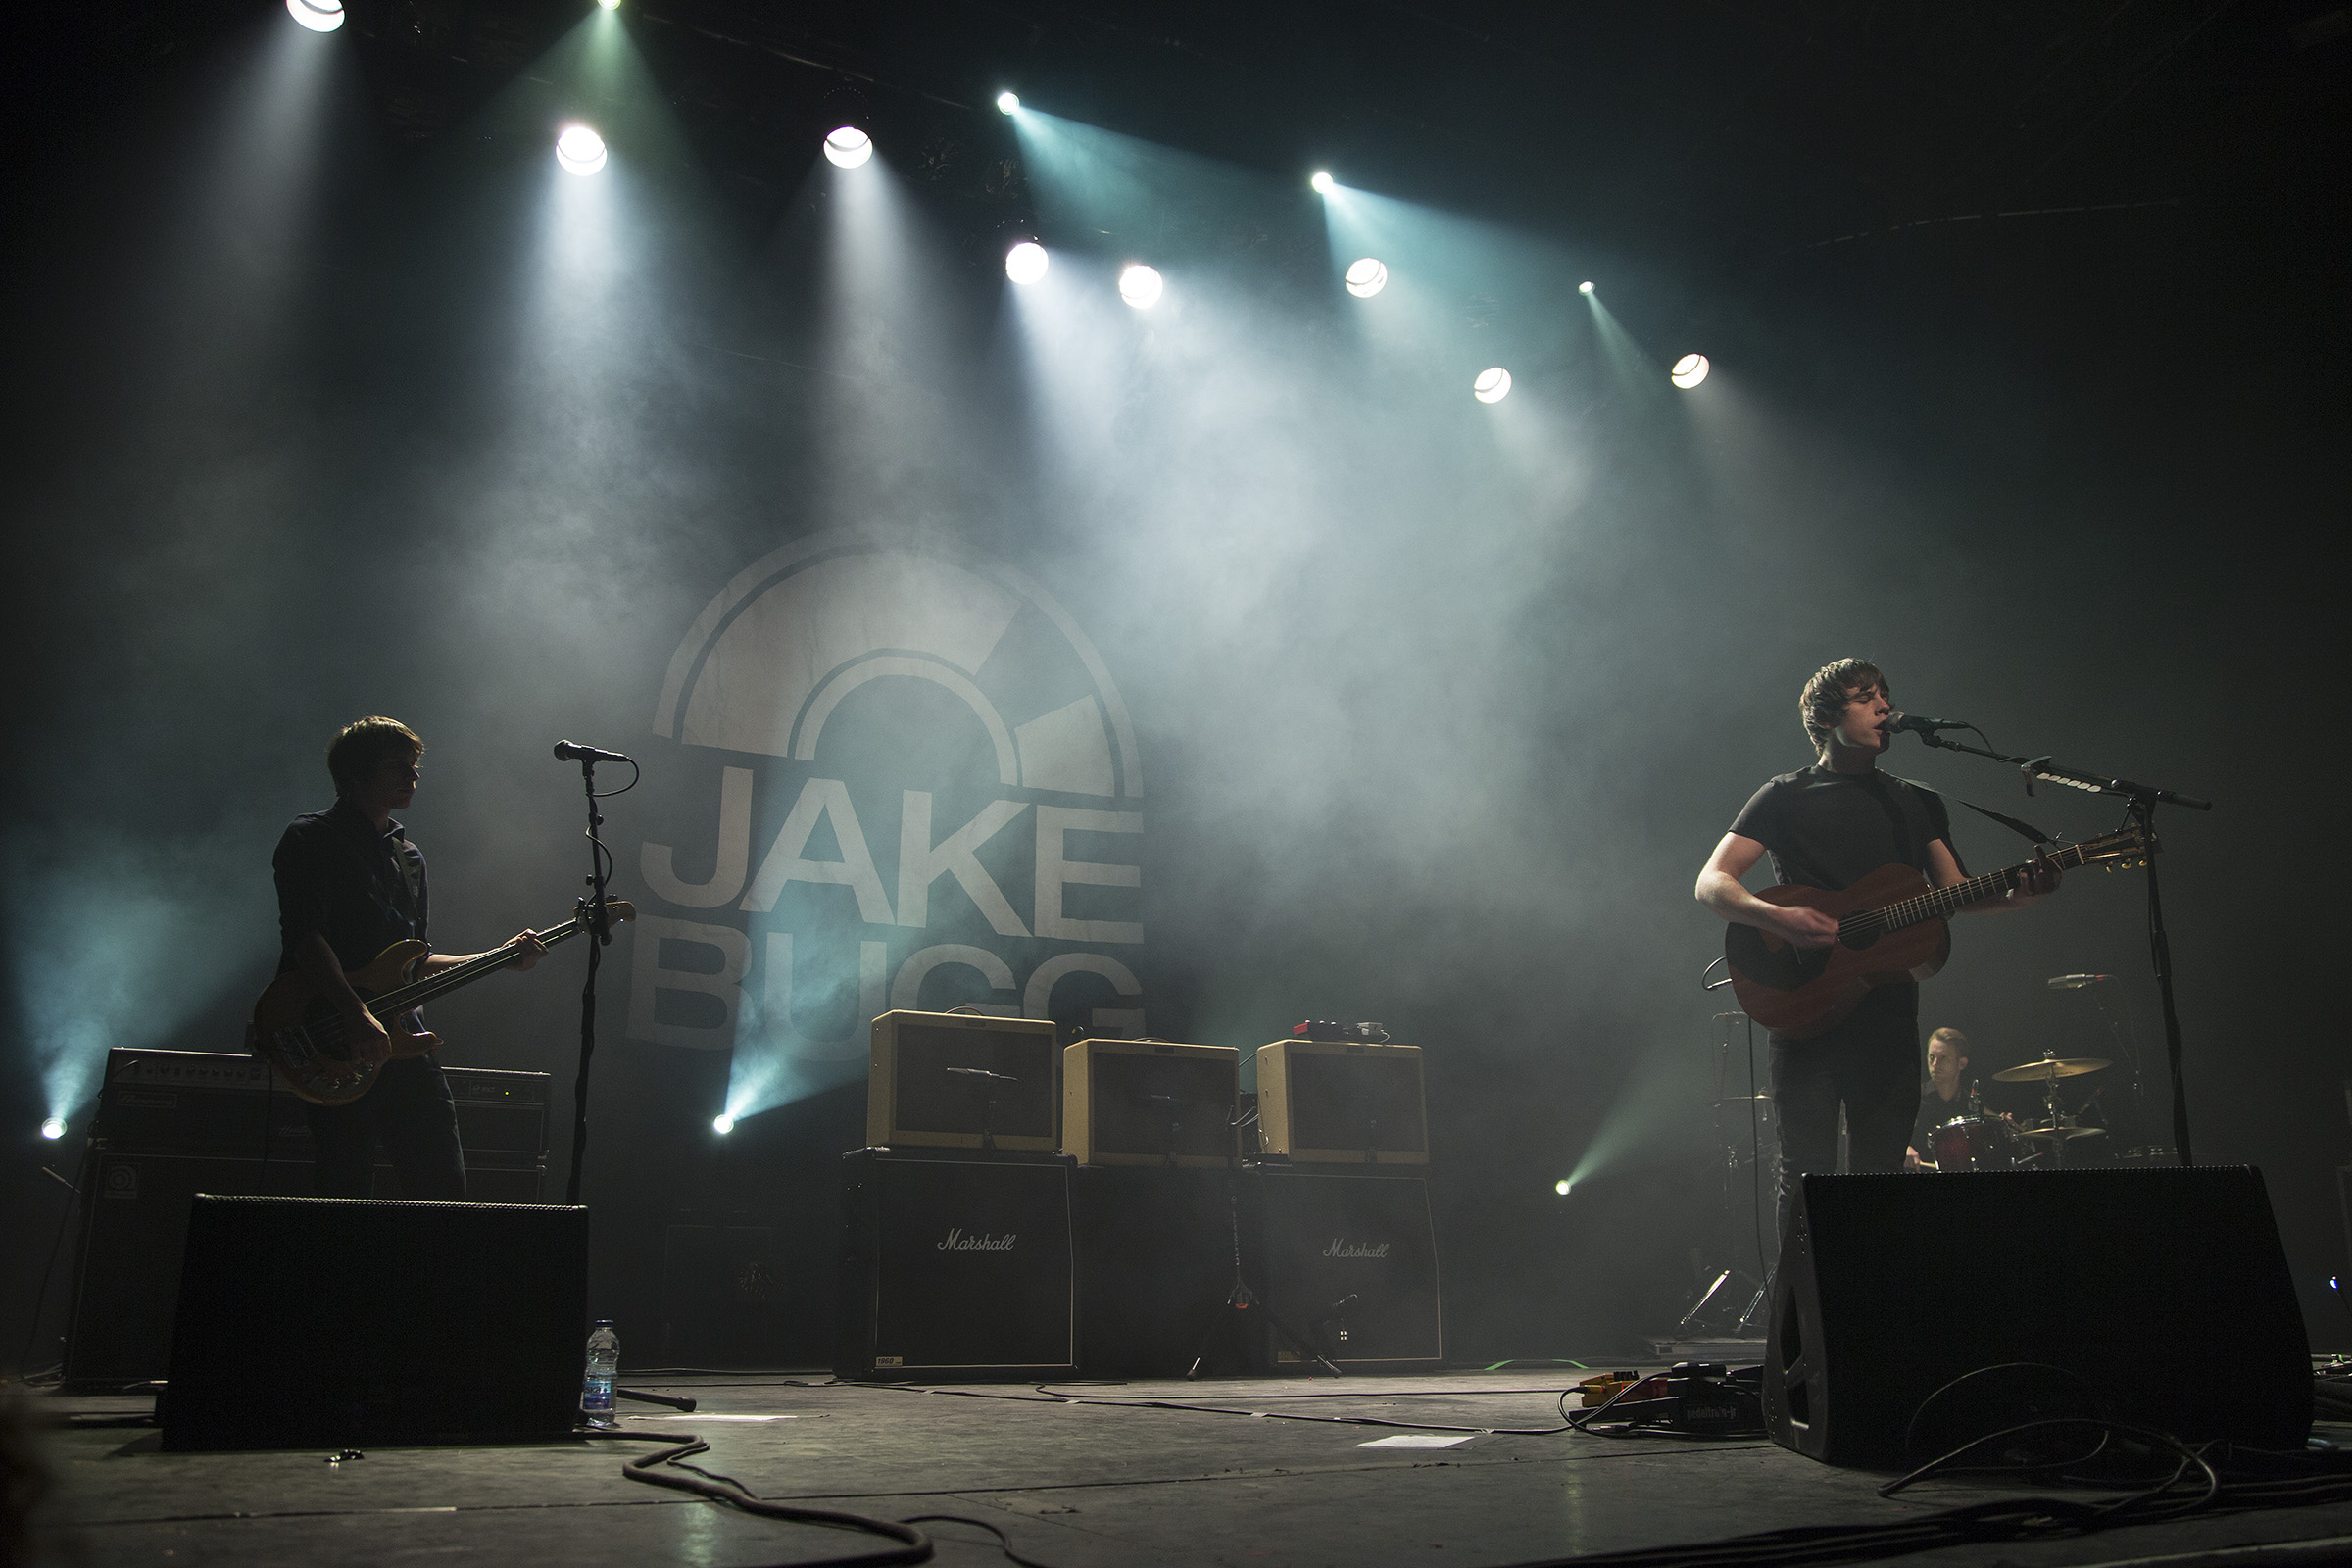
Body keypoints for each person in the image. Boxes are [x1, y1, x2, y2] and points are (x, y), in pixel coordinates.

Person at [1694, 660, 2059, 1236]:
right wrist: (1779, 919)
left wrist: (2020, 898)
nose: (1885, 707)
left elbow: (1954, 893)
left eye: (1886, 695)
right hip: (1803, 1011)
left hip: (1889, 1020)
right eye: (1866, 697)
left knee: (1881, 1178)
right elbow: (1712, 882)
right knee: (1806, 1178)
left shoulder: (1914, 801)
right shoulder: (1784, 796)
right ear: (1826, 717)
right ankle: (1803, 1318)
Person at [273, 716, 545, 1200]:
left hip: (405, 1044)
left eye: (415, 767)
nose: (413, 777)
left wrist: (497, 958)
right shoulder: (311, 838)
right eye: (398, 767)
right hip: (333, 1037)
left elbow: (412, 963)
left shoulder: (409, 856)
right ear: (357, 774)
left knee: (443, 1190)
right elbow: (304, 937)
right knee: (342, 1188)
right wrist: (353, 1013)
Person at [1906, 1027, 1984, 1169]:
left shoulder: (1971, 1105)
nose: (1935, 1064)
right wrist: (1904, 1148)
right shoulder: (1912, 1097)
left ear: (1961, 1064)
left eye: (1943, 1058)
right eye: (1932, 1057)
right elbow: (1884, 1133)